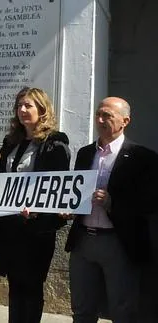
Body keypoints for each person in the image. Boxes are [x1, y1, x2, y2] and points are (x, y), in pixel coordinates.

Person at [63, 97, 158, 322]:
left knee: (122, 309)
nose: (100, 120)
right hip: (83, 241)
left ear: (125, 121)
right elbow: (75, 192)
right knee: (82, 308)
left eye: (107, 115)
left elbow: (149, 203)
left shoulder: (142, 157)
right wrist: (68, 207)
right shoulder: (85, 153)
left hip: (119, 242)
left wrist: (112, 203)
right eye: (98, 114)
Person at [0, 87, 70, 323]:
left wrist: (38, 209)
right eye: (19, 106)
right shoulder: (11, 141)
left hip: (37, 228)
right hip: (12, 226)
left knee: (32, 286)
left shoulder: (55, 142)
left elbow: (56, 185)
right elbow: (1, 176)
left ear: (42, 109)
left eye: (28, 105)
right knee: (15, 285)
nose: (23, 110)